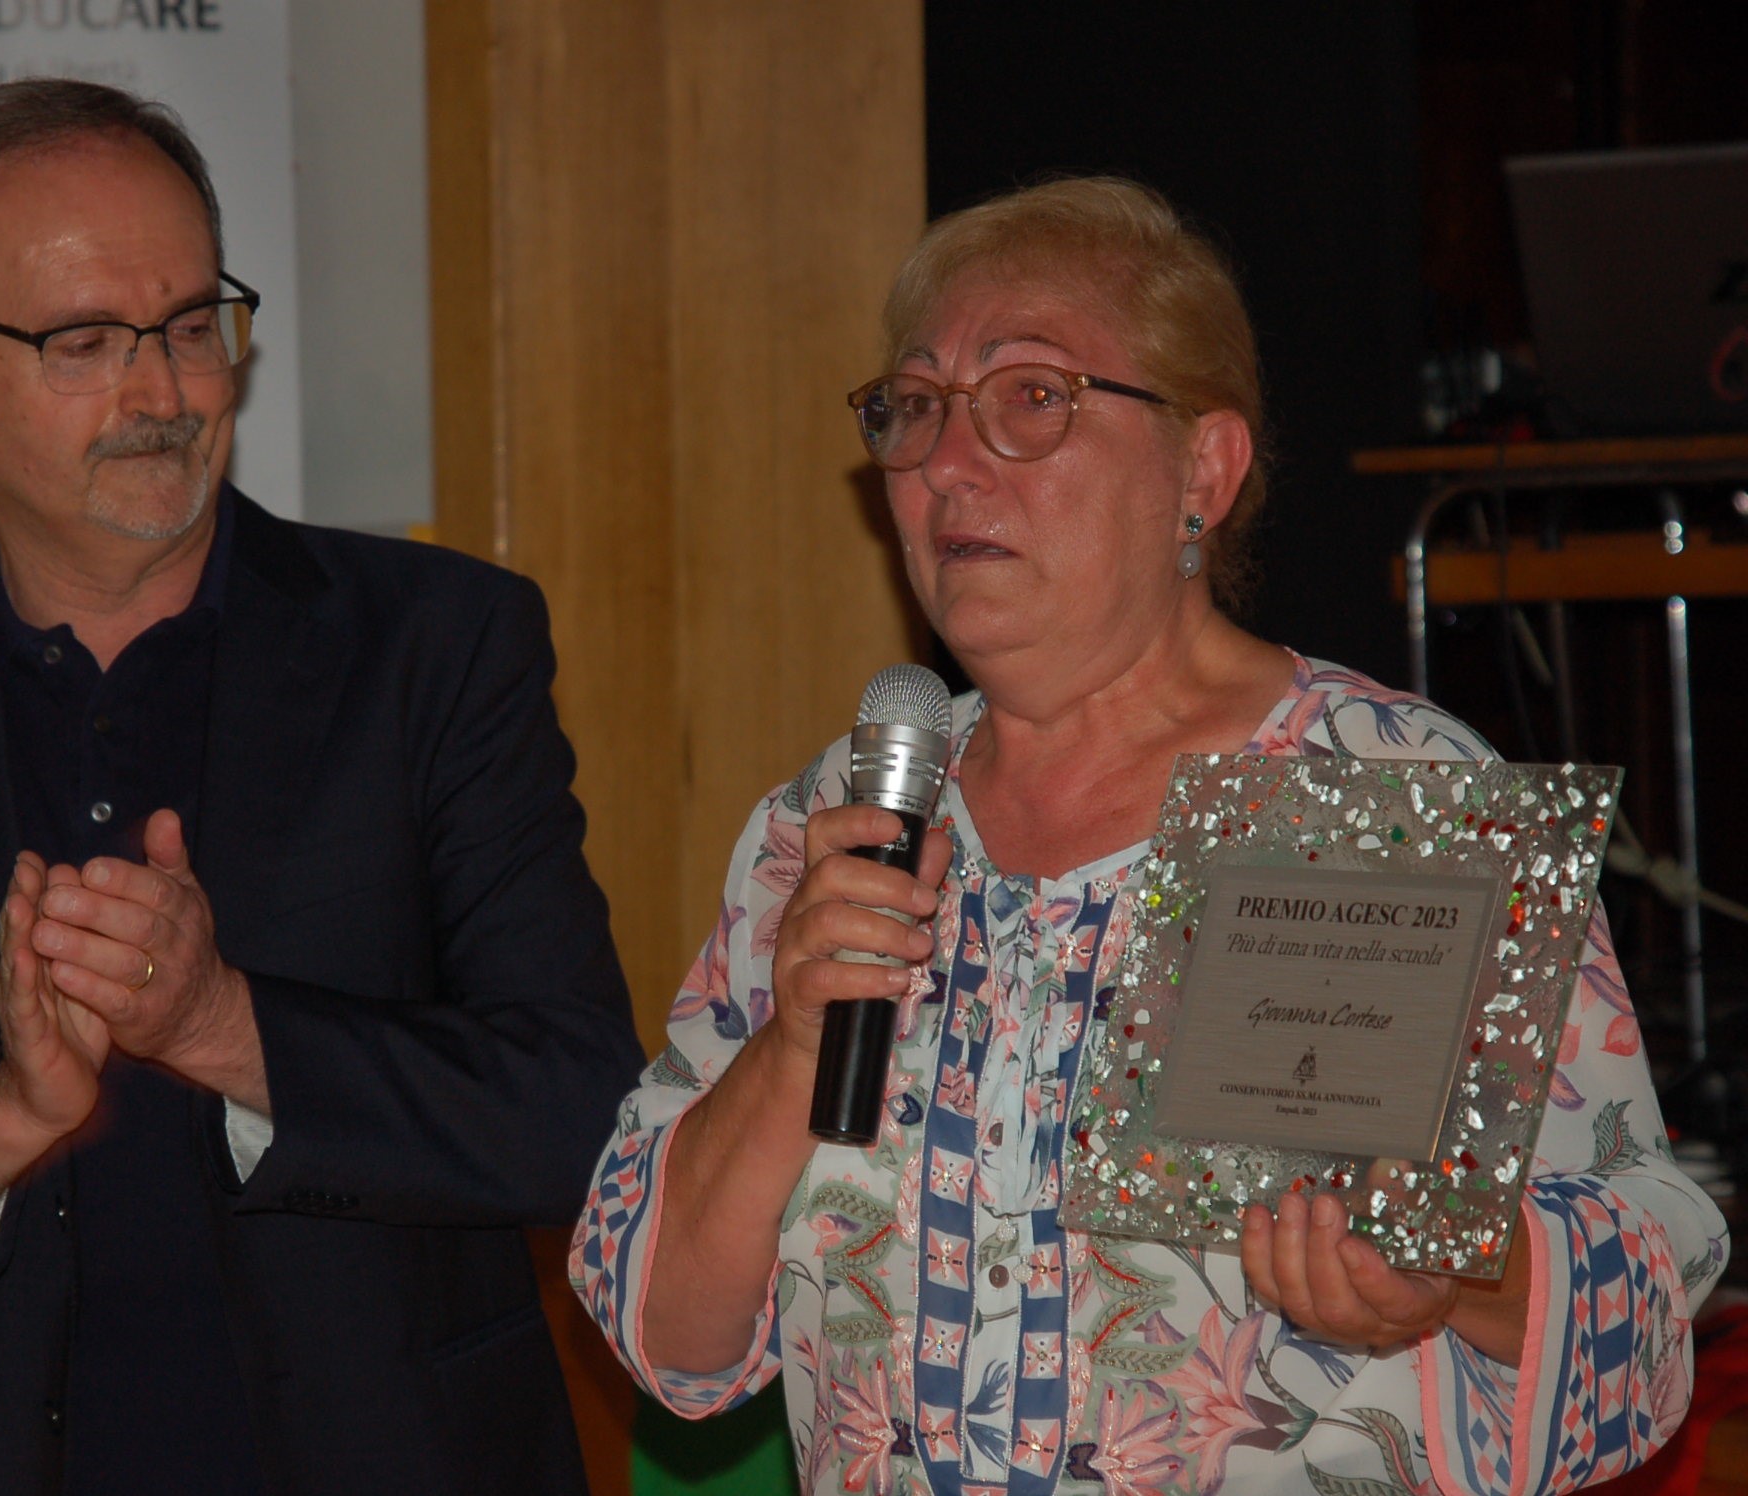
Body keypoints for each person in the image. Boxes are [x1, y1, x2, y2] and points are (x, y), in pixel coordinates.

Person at [572, 176, 1727, 1495]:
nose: (946, 463)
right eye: (916, 406)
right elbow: (664, 1340)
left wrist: (1454, 1277)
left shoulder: (1392, 797)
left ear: (1203, 471)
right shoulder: (837, 816)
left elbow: (1646, 1314)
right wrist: (791, 1047)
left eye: (1031, 397)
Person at [0, 79, 643, 1496]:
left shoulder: (436, 649)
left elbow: (583, 1114)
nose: (163, 394)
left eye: (188, 326)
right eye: (85, 342)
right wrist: (3, 1121)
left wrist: (227, 1029)